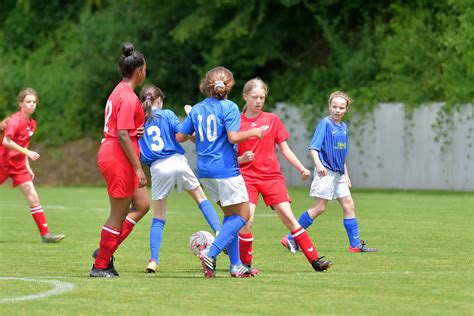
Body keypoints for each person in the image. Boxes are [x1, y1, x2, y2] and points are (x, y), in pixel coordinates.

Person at [237, 78, 333, 272]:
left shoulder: (272, 119)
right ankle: (245, 265)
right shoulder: (236, 121)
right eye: (254, 97)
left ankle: (315, 261)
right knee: (247, 220)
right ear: (245, 96)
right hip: (247, 178)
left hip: (272, 177)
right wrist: (241, 160)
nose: (258, 101)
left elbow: (285, 149)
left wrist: (301, 168)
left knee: (289, 219)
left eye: (262, 97)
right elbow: (229, 154)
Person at [178, 66, 262, 278]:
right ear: (230, 85)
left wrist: (194, 132)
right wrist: (254, 132)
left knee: (229, 215)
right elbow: (233, 137)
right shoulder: (230, 107)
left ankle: (236, 265)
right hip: (225, 169)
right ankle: (211, 252)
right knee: (243, 215)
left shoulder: (197, 109)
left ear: (206, 85)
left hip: (205, 171)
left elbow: (181, 136)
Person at [138, 84, 221, 273]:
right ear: (159, 100)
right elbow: (185, 135)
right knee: (201, 198)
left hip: (158, 168)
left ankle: (153, 260)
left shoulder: (138, 121)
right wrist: (192, 118)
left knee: (159, 216)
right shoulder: (167, 114)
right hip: (177, 161)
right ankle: (218, 233)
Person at [281, 91, 377, 253]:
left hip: (339, 174)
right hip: (325, 172)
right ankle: (290, 237)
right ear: (329, 106)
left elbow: (342, 154)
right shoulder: (325, 124)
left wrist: (346, 174)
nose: (337, 110)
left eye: (341, 107)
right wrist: (319, 165)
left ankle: (355, 245)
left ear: (346, 110)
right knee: (319, 208)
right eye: (334, 107)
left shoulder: (344, 127)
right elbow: (313, 148)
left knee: (349, 205)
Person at [90, 42, 150, 278]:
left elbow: (126, 129)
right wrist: (138, 168)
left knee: (143, 204)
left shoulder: (122, 91)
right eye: (145, 69)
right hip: (118, 156)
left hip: (117, 151)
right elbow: (122, 134)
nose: (146, 72)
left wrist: (136, 130)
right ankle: (101, 265)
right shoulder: (127, 96)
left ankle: (105, 249)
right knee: (118, 214)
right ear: (139, 72)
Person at [0, 88, 65, 243]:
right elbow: (6, 142)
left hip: (18, 165)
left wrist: (27, 164)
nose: (31, 105)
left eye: (34, 102)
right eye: (28, 102)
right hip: (2, 162)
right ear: (20, 103)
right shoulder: (16, 121)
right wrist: (27, 152)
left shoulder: (32, 123)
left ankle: (46, 235)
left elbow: (24, 144)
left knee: (34, 197)